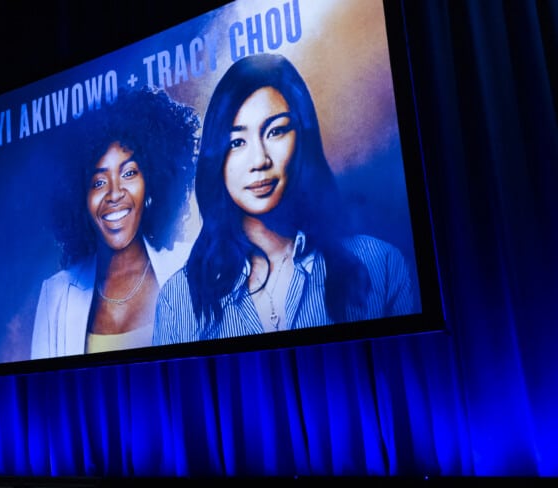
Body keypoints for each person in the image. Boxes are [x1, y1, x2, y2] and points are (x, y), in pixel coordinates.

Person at [153, 53, 415, 344]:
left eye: (275, 131)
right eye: (237, 142)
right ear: (217, 159)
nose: (259, 160)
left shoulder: (380, 263)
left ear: (302, 138)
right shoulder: (178, 300)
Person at [31, 85, 199, 358]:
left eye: (129, 173)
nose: (114, 193)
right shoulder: (57, 294)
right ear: (80, 197)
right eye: (98, 182)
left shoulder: (193, 265)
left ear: (152, 181)